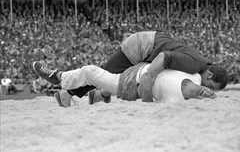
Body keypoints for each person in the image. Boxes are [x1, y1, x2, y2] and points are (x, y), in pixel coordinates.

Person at [34, 31, 228, 103]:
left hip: (148, 48)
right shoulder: (195, 65)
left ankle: (79, 95)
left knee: (111, 75)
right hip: (143, 47)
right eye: (210, 85)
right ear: (209, 73)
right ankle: (60, 79)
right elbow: (164, 57)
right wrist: (149, 77)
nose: (207, 88)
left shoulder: (198, 63)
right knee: (106, 72)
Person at [33, 61, 217, 107]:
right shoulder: (195, 77)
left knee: (90, 72)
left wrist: (146, 85)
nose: (202, 91)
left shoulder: (174, 98)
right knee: (112, 71)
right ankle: (99, 96)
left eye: (201, 93)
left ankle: (58, 77)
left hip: (128, 84)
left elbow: (148, 103)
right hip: (134, 73)